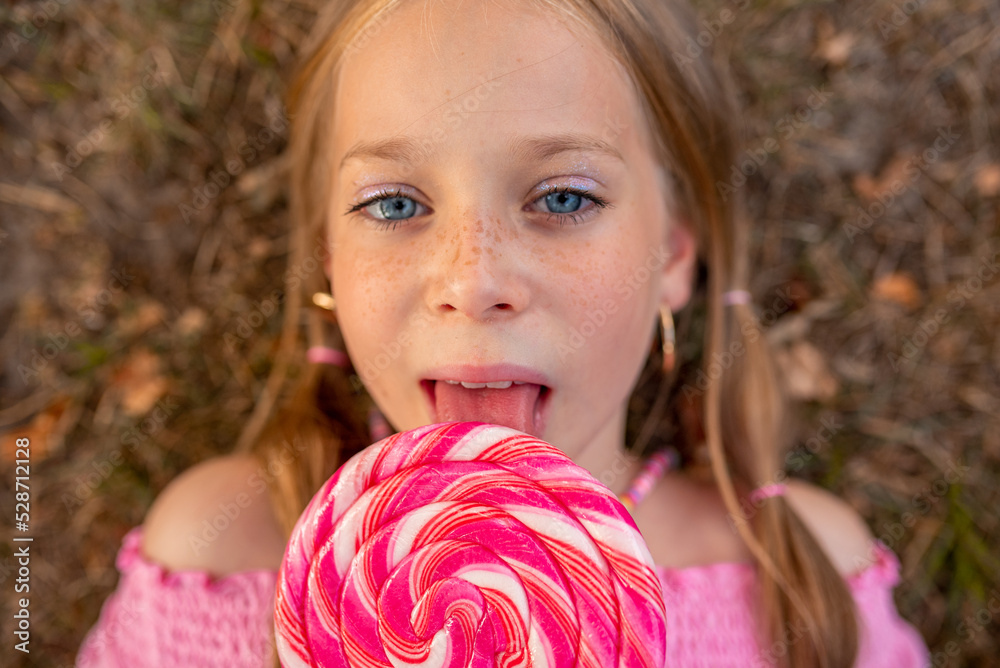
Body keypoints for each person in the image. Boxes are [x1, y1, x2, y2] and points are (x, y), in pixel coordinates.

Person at [77, 0, 931, 666]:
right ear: (328, 258)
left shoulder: (804, 588)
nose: (473, 280)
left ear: (671, 252)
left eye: (563, 199)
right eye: (396, 205)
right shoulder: (212, 556)